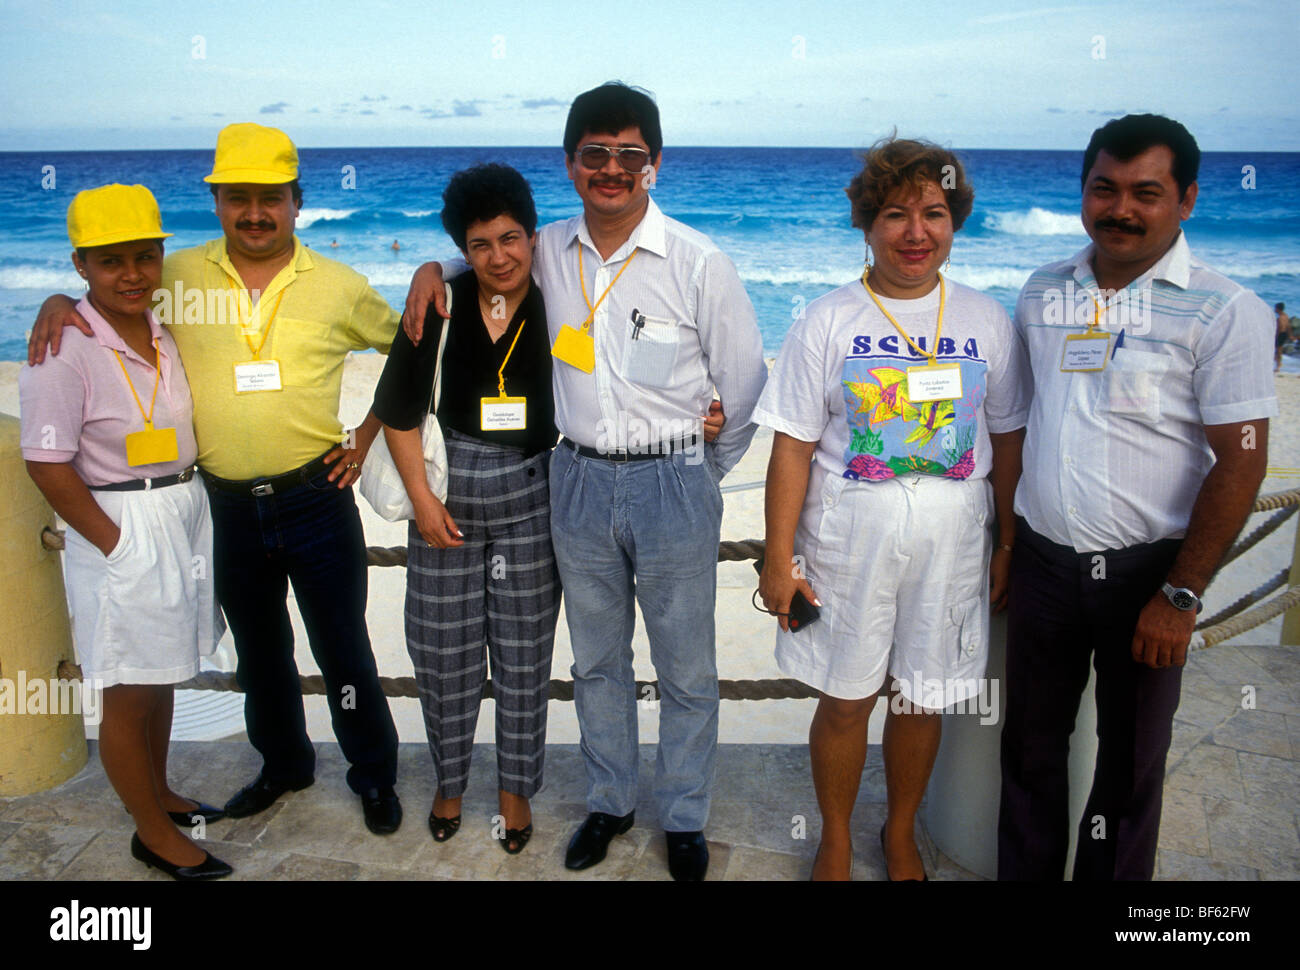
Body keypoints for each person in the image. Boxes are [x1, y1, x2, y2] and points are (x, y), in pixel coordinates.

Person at [403, 82, 767, 880]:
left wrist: (700, 468)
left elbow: (742, 387)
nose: (612, 168)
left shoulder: (700, 262)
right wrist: (430, 267)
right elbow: (480, 267)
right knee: (597, 661)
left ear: (655, 165)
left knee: (685, 666)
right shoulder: (547, 251)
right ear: (570, 165)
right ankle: (609, 803)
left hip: (674, 481)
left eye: (629, 155)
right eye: (595, 154)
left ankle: (683, 817)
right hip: (572, 480)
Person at [28, 123, 404, 836]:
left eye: (271, 198)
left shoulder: (340, 285)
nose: (255, 213)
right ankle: (285, 766)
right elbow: (111, 285)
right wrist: (54, 303)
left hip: (316, 497)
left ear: (298, 202)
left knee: (343, 648)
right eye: (238, 198)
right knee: (258, 653)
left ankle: (374, 774)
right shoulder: (177, 276)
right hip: (220, 505)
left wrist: (367, 433)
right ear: (218, 202)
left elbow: (414, 345)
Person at [998, 114, 1275, 881]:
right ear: (1083, 192)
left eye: (1145, 193)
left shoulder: (1226, 310)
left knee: (1127, 767)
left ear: (1185, 200)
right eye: (1104, 189)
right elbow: (1016, 418)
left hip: (1149, 575)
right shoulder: (1043, 289)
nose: (1121, 209)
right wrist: (1008, 546)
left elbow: (1241, 463)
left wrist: (1180, 593)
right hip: (1046, 568)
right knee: (1027, 750)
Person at [754, 138, 1030, 880]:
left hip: (953, 549)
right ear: (867, 224)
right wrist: (777, 560)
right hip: (848, 545)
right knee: (846, 699)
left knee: (923, 696)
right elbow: (791, 449)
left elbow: (1009, 443)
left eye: (934, 213)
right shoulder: (825, 320)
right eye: (896, 214)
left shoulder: (986, 320)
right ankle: (837, 836)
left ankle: (899, 831)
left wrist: (1007, 547)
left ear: (955, 221)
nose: (916, 232)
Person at [20, 184, 230, 880]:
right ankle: (151, 833)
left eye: (145, 256)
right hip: (120, 516)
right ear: (81, 265)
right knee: (126, 688)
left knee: (163, 672)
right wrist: (115, 544)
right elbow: (46, 462)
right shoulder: (65, 348)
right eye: (111, 262)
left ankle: (161, 790)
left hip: (178, 507)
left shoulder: (158, 325)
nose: (133, 274)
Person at [371, 164, 557, 853]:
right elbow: (396, 411)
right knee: (443, 653)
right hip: (445, 500)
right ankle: (450, 785)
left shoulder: (560, 294)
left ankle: (515, 794)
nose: (499, 257)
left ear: (534, 237)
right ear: (464, 248)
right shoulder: (440, 302)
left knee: (523, 657)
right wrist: (421, 501)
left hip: (533, 497)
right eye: (480, 245)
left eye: (511, 239)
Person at [1276, 302, 1290, 371]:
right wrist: (1290, 335)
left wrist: (1276, 336)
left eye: (1275, 308)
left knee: (1278, 350)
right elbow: (1288, 326)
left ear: (1278, 309)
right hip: (1285, 334)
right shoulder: (1286, 316)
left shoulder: (1279, 318)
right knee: (1280, 350)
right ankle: (1279, 364)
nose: (1274, 309)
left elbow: (1279, 328)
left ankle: (1278, 366)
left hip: (1280, 334)